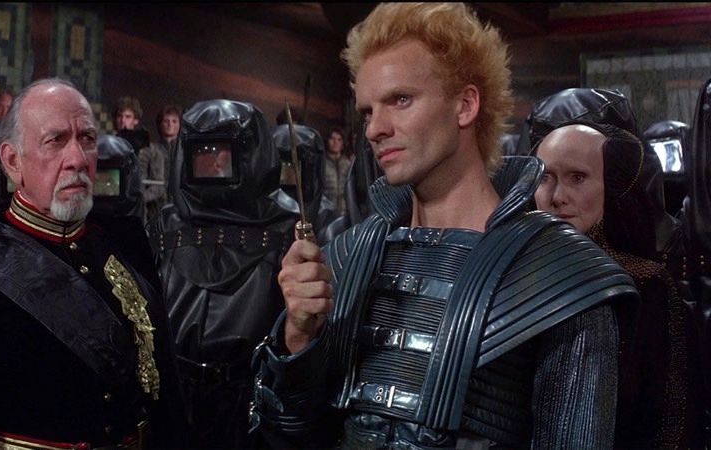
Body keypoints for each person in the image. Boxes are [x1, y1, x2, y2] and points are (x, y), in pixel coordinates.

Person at [250, 4, 639, 449]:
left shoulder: (563, 276)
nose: (375, 129)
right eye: (367, 111)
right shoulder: (348, 256)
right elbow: (288, 435)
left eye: (400, 100)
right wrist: (298, 338)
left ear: (465, 105)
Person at [0, 78, 186, 449]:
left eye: (87, 139)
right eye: (55, 140)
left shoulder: (126, 244)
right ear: (12, 161)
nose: (78, 159)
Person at [532, 118, 701, 448]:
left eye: (577, 178)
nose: (557, 196)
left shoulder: (648, 287)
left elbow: (673, 419)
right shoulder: (515, 277)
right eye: (545, 178)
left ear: (610, 185)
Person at [145, 99, 295, 448]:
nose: (213, 163)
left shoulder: (288, 229)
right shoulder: (165, 226)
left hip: (251, 406)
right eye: (204, 152)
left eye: (221, 153)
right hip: (173, 401)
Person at [138, 105, 181, 223]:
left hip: (181, 212)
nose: (170, 124)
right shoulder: (149, 150)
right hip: (155, 212)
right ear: (160, 124)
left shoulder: (185, 152)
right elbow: (141, 180)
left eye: (174, 121)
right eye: (166, 121)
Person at [322, 126, 353, 215]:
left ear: (342, 143)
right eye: (332, 139)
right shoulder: (322, 164)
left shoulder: (348, 164)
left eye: (339, 139)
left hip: (345, 212)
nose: (335, 142)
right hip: (326, 213)